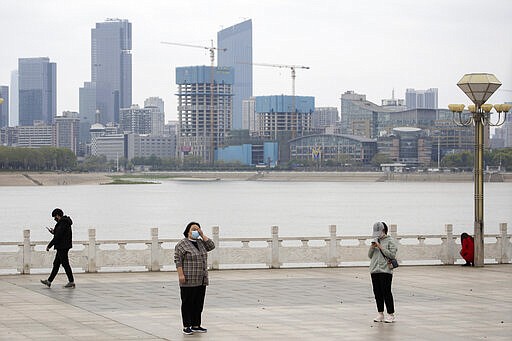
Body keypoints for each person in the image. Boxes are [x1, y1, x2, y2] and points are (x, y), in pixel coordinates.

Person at [174, 222, 215, 335]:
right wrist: (180, 275)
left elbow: (211, 246)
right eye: (194, 229)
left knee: (198, 303)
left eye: (198, 229)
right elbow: (178, 260)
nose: (196, 231)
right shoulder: (182, 244)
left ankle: (196, 325)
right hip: (188, 279)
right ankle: (187, 326)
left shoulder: (200, 243)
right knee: (187, 303)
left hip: (201, 279)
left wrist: (202, 235)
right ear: (188, 231)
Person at [368, 221, 398, 323]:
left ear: (383, 230)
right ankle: (380, 313)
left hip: (385, 270)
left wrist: (380, 247)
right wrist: (372, 247)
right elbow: (369, 255)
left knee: (386, 292)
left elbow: (392, 255)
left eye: (379, 232)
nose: (377, 235)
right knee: (377, 293)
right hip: (374, 270)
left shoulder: (390, 241)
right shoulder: (375, 240)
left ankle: (390, 314)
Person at [40, 208, 75, 288]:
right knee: (56, 264)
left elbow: (58, 237)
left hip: (63, 246)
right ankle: (49, 281)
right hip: (63, 246)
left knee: (65, 264)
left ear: (57, 215)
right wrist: (54, 232)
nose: (54, 219)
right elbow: (60, 234)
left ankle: (71, 281)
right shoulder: (65, 222)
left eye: (54, 217)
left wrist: (49, 245)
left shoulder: (63, 223)